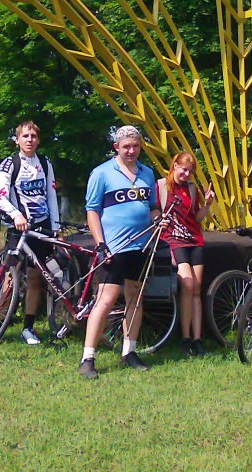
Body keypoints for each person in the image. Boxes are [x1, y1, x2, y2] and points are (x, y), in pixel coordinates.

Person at [78, 125, 161, 379]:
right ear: (116, 147)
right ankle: (88, 358)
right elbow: (92, 211)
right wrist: (100, 243)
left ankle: (129, 351)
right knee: (106, 298)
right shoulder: (102, 173)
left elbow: (153, 207)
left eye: (135, 146)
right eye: (126, 146)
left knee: (135, 297)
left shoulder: (147, 173)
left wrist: (158, 218)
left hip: (141, 245)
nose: (131, 151)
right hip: (113, 247)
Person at [0, 120, 61, 346]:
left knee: (35, 277)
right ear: (17, 140)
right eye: (25, 136)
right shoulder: (9, 164)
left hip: (41, 227)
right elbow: (0, 197)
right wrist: (16, 215)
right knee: (9, 276)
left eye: (33, 136)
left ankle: (28, 327)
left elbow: (51, 196)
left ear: (38, 140)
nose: (29, 140)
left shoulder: (45, 163)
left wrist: (56, 227)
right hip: (18, 228)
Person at [156, 152, 214, 356]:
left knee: (196, 289)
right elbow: (154, 213)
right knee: (187, 285)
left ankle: (197, 339)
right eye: (183, 169)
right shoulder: (161, 186)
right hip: (173, 240)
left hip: (194, 240)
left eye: (190, 171)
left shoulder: (191, 189)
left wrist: (207, 204)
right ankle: (185, 337)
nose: (186, 174)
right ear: (175, 166)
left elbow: (196, 218)